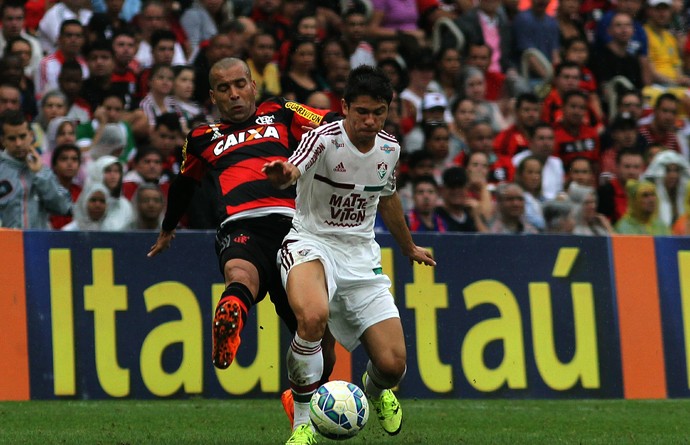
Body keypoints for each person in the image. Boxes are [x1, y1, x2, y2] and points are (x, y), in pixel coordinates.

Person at [263, 64, 436, 445]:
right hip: (311, 242)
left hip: (360, 256)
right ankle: (303, 424)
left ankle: (374, 391)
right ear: (344, 107)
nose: (370, 121)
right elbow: (294, 168)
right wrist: (281, 174)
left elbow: (386, 196)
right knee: (312, 317)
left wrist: (407, 247)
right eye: (361, 112)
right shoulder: (323, 139)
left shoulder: (389, 149)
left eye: (378, 112)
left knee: (393, 365)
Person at [147, 58, 340, 377]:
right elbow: (184, 184)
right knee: (240, 276)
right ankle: (231, 314)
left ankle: (304, 400)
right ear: (213, 97)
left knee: (317, 335)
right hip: (242, 224)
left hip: (296, 232)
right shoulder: (201, 137)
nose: (234, 94)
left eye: (239, 85)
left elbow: (329, 119)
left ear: (253, 86)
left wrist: (334, 128)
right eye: (224, 89)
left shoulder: (280, 110)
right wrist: (168, 227)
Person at [0, 109, 72, 228]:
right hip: (6, 244)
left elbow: (64, 207)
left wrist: (40, 174)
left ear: (31, 136)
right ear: (3, 140)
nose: (18, 143)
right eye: (12, 138)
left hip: (38, 244)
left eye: (22, 136)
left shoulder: (43, 169)